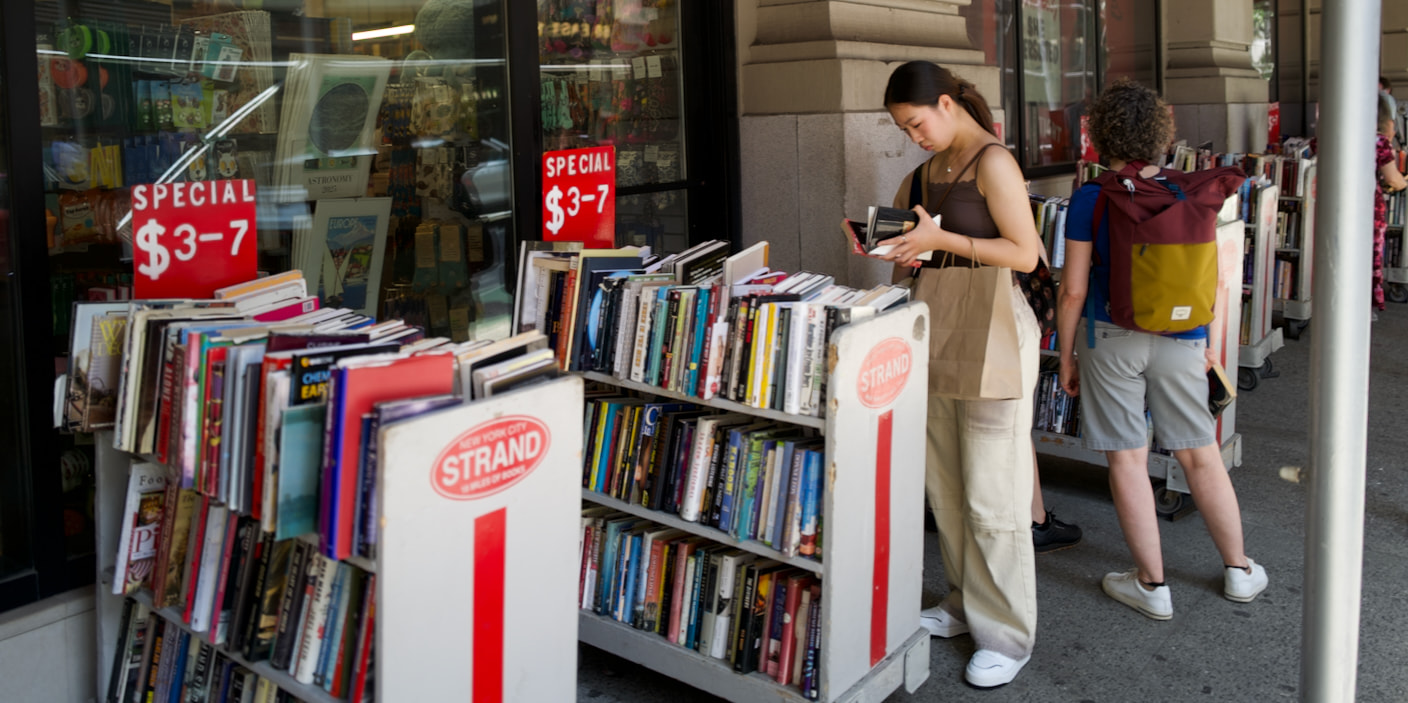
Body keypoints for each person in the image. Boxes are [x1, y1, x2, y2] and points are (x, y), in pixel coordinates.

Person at [1056, 78, 1268, 622]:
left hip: (1111, 338)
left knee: (1127, 458)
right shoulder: (1190, 191)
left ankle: (1152, 586)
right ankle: (1240, 570)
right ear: (1160, 135)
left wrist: (1065, 356)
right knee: (1200, 453)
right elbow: (1204, 277)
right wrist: (1202, 344)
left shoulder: (1091, 196)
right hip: (1183, 339)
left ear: (1101, 136)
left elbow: (1074, 288)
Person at [878, 61, 1042, 688]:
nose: (913, 137)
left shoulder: (993, 162)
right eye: (903, 129)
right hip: (935, 327)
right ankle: (963, 602)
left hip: (993, 330)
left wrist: (942, 238)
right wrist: (884, 241)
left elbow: (1024, 253)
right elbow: (910, 249)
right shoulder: (923, 171)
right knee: (945, 487)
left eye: (916, 123)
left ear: (947, 104)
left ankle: (1006, 633)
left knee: (991, 493)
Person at [1376, 97, 1408, 319]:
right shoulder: (1379, 142)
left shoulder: (1328, 136)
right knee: (1368, 257)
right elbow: (1394, 180)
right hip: (1368, 209)